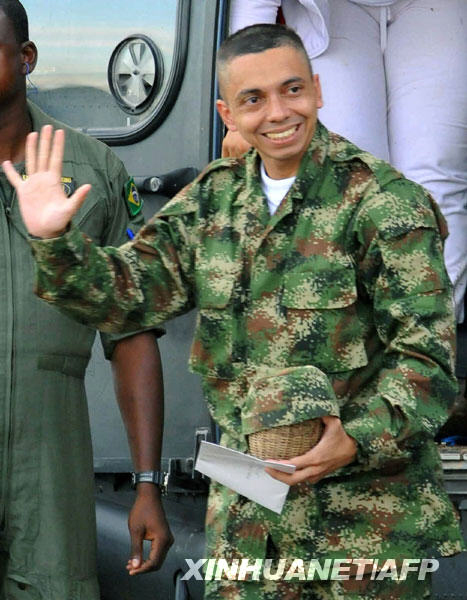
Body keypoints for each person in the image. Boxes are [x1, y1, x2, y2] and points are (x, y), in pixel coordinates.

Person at [3, 23, 465, 599]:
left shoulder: (385, 204)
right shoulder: (212, 201)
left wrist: (356, 435)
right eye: (254, 99)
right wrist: (54, 241)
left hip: (362, 531)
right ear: (228, 111)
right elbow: (128, 295)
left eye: (292, 90)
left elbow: (429, 361)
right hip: (247, 526)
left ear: (318, 90)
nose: (277, 113)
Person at [0, 2, 172, 598]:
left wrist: (147, 483)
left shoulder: (93, 170)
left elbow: (131, 334)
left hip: (52, 466)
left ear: (26, 59)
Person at [226, 0, 467, 330]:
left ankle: (429, 350)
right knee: (345, 178)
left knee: (435, 177)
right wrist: (241, 115)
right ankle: (354, 353)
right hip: (334, 10)